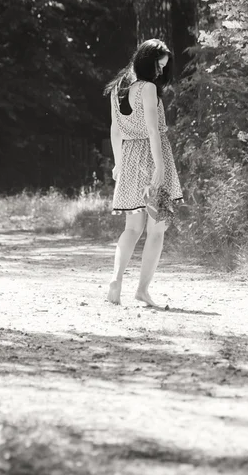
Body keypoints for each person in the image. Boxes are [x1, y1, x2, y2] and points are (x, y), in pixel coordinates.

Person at [104, 39, 183, 307]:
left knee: (132, 228)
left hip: (128, 159)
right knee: (157, 229)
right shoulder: (147, 88)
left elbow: (115, 130)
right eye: (158, 66)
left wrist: (118, 164)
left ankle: (116, 281)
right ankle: (142, 290)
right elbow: (152, 130)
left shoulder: (118, 88)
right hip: (152, 159)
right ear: (147, 62)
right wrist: (160, 166)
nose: (160, 72)